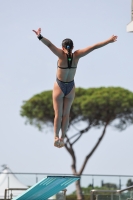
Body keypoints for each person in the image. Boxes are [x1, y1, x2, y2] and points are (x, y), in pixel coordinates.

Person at [33, 28, 117, 148]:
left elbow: (49, 44)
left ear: (62, 47)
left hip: (59, 86)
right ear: (72, 47)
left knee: (58, 114)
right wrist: (108, 40)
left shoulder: (60, 55)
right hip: (71, 86)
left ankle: (56, 137)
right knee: (66, 114)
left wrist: (40, 36)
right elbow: (93, 47)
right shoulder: (77, 55)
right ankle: (63, 137)